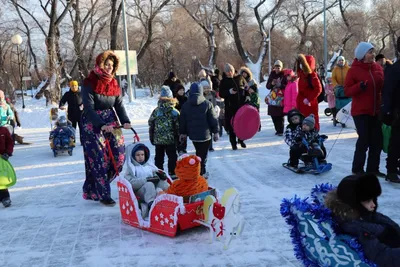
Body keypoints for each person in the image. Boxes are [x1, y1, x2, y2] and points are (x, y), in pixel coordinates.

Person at [81, 50, 131, 206]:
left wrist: (125, 120)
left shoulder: (114, 83)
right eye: (106, 64)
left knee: (119, 156)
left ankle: (97, 184)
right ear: (100, 65)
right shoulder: (89, 82)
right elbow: (88, 109)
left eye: (111, 65)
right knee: (99, 159)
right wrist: (101, 125)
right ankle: (104, 194)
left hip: (111, 120)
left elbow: (119, 105)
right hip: (92, 124)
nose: (109, 68)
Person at [325, 174, 400, 266]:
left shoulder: (361, 215)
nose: (373, 205)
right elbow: (381, 256)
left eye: (373, 199)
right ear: (353, 203)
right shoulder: (356, 227)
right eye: (368, 201)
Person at [344, 42, 384, 177]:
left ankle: (373, 169)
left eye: (373, 51)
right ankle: (357, 169)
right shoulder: (353, 70)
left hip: (376, 110)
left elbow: (384, 86)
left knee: (377, 141)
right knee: (364, 140)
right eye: (370, 52)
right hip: (360, 111)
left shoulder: (378, 68)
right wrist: (359, 87)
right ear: (362, 55)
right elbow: (347, 91)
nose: (373, 54)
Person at [179, 83, 219, 177]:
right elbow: (213, 119)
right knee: (203, 154)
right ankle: (202, 171)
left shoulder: (186, 105)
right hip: (206, 135)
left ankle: (198, 170)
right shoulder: (207, 104)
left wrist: (183, 133)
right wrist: (216, 132)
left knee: (198, 152)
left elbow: (182, 121)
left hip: (193, 135)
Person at [124, 143, 169, 218]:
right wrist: (145, 180)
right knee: (149, 184)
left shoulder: (149, 166)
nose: (140, 157)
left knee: (163, 183)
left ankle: (170, 197)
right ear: (133, 156)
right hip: (140, 192)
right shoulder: (131, 168)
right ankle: (151, 204)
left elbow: (155, 175)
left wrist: (159, 176)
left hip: (152, 190)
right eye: (138, 155)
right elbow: (131, 183)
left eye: (142, 155)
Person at [149, 85, 179, 178]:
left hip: (158, 139)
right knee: (172, 156)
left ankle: (159, 173)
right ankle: (173, 173)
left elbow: (150, 122)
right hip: (171, 139)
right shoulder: (174, 112)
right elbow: (178, 125)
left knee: (159, 157)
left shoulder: (156, 111)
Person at [381, 37, 400, 183]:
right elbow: (388, 91)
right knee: (396, 141)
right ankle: (391, 170)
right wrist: (387, 111)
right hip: (397, 111)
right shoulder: (394, 69)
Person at [219, 63, 249, 150]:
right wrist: (229, 91)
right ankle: (233, 143)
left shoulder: (240, 78)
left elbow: (246, 87)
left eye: (231, 71)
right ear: (225, 72)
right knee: (232, 125)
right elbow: (221, 93)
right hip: (230, 106)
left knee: (241, 124)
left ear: (233, 70)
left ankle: (241, 139)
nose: (229, 73)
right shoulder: (223, 81)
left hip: (241, 105)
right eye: (227, 71)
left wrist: (247, 95)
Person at [296, 54, 322, 131]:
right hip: (301, 102)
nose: (301, 65)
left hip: (310, 104)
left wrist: (308, 99)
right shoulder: (302, 74)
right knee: (302, 120)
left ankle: (314, 132)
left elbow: (318, 89)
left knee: (311, 120)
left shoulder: (312, 76)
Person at [266, 60, 287, 135]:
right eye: (276, 67)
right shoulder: (272, 75)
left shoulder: (284, 75)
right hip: (273, 96)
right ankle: (277, 129)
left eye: (279, 67)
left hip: (281, 96)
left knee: (280, 114)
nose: (277, 69)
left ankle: (280, 130)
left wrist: (280, 85)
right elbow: (267, 86)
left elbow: (288, 86)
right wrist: (271, 83)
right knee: (273, 113)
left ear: (281, 68)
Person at [331, 56, 350, 122]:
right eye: (340, 60)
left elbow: (351, 77)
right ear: (337, 61)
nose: (341, 61)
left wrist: (348, 84)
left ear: (344, 61)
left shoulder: (348, 69)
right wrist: (336, 85)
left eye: (342, 60)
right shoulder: (335, 70)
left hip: (347, 87)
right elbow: (333, 78)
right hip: (338, 88)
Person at [0, 125, 14, 207]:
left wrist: (8, 152)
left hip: (2, 157)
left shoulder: (3, 130)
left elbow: (9, 142)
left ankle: (5, 197)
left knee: (2, 177)